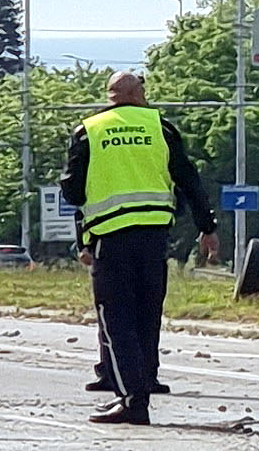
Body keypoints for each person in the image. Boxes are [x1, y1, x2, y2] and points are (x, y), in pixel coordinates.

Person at [61, 73, 218, 425]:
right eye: (143, 89)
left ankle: (132, 399)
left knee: (117, 321)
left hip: (111, 238)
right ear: (135, 94)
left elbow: (72, 191)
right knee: (147, 315)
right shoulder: (160, 127)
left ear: (112, 96)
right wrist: (207, 227)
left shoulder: (89, 130)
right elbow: (189, 179)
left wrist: (84, 232)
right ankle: (142, 385)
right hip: (153, 238)